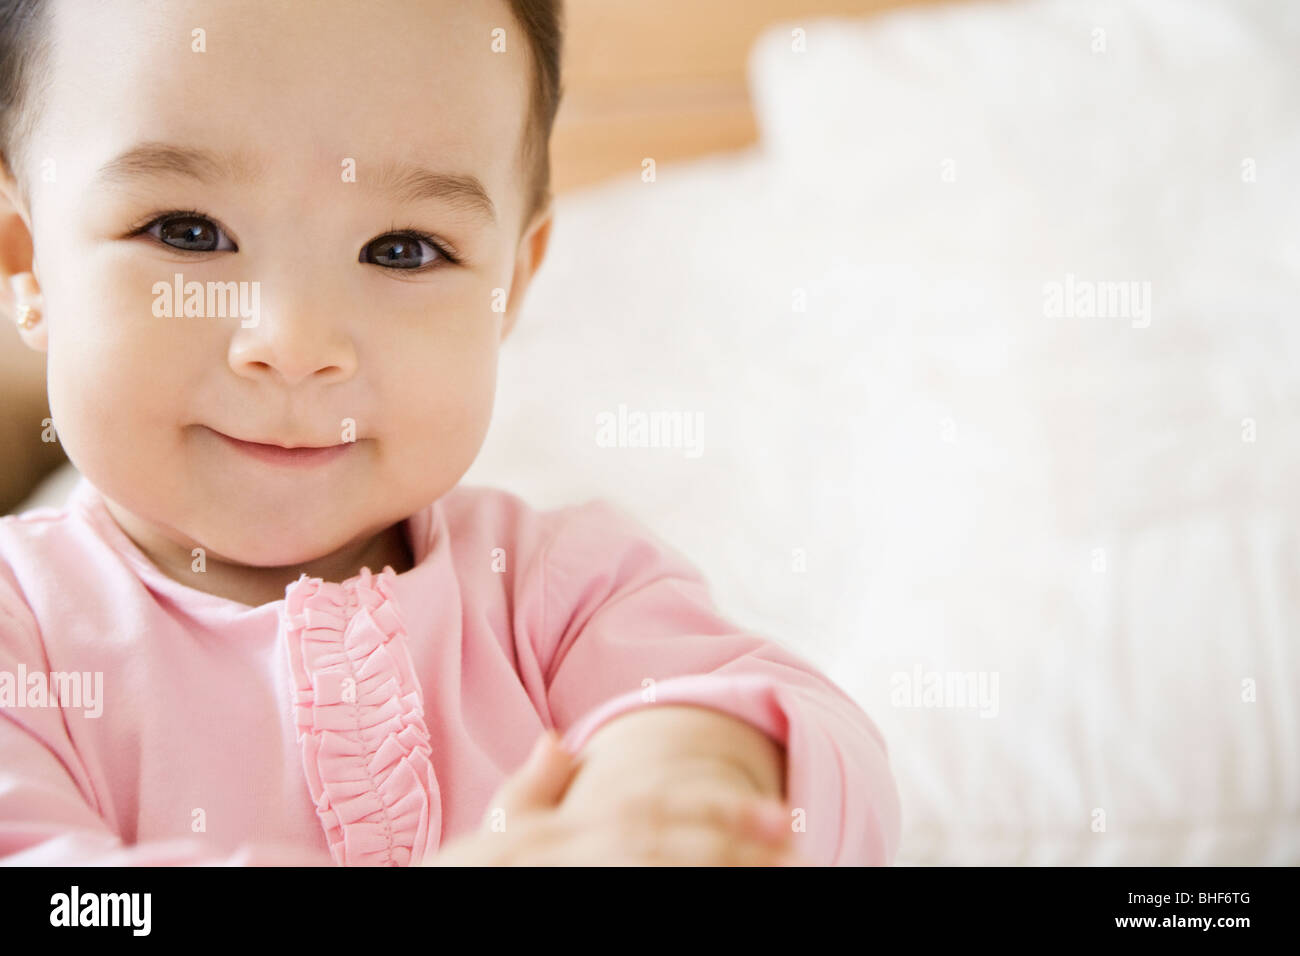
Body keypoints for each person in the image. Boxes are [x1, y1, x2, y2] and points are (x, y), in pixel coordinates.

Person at [0, 0, 900, 865]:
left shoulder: (565, 593)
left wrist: (688, 772)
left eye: (403, 249)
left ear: (513, 280)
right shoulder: (22, 634)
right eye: (187, 232)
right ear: (24, 257)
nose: (296, 344)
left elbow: (835, 783)